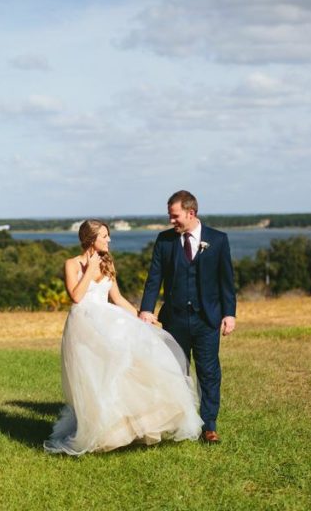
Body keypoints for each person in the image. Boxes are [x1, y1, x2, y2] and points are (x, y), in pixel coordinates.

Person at [44, 220, 203, 455]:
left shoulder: (109, 263)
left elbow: (117, 298)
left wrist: (141, 317)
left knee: (127, 369)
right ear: (91, 239)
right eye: (105, 236)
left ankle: (127, 429)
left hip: (108, 320)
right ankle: (98, 431)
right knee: (96, 378)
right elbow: (76, 296)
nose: (109, 240)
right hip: (83, 326)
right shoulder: (72, 264)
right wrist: (89, 270)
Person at [139, 190, 236, 443]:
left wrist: (229, 314)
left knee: (208, 372)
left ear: (190, 213)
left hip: (207, 320)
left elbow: (227, 282)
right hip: (174, 320)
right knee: (175, 372)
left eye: (175, 216)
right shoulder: (164, 241)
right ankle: (180, 421)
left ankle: (209, 425)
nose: (171, 221)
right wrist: (146, 310)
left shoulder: (218, 240)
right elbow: (154, 279)